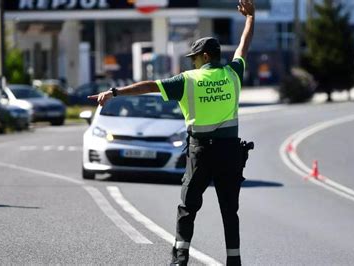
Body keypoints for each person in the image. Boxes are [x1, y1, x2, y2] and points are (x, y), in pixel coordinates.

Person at [88, 1, 255, 265]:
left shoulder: (187, 80)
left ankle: (180, 260)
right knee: (229, 211)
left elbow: (149, 86)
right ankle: (234, 262)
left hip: (201, 152)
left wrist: (115, 92)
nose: (194, 61)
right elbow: (243, 46)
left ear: (206, 56)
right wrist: (250, 19)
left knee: (188, 207)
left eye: (196, 57)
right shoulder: (233, 73)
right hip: (229, 153)